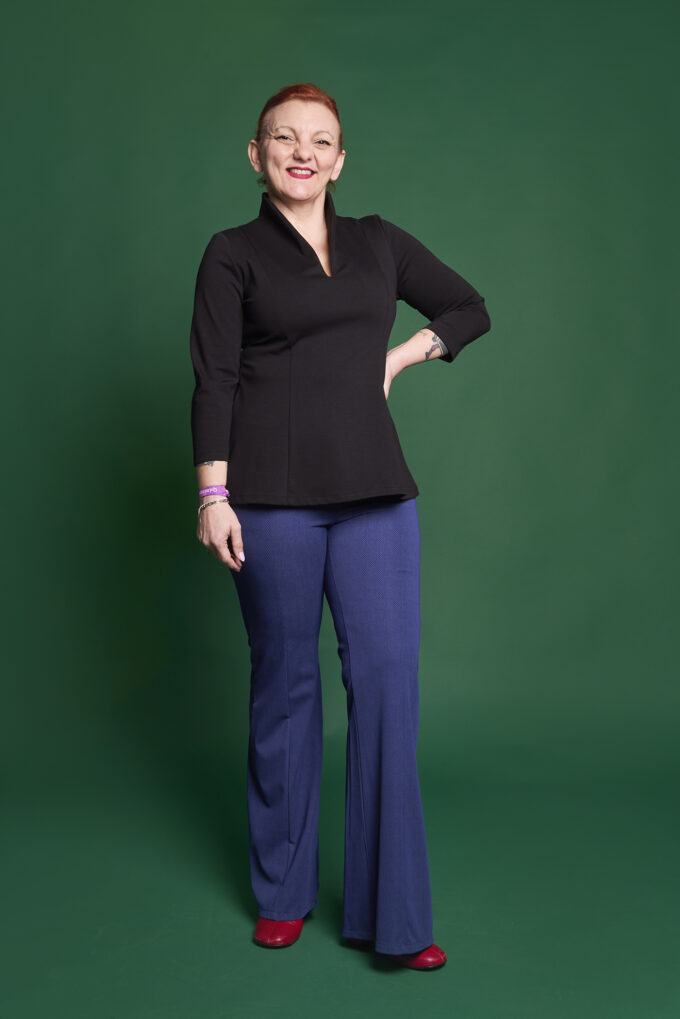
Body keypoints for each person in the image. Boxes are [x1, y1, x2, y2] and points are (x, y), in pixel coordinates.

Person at [189, 82, 491, 970]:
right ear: (257, 155)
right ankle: (282, 892)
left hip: (376, 495)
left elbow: (468, 308)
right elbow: (213, 379)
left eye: (320, 140)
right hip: (269, 501)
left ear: (340, 158)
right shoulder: (231, 254)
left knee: (388, 686)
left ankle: (393, 915)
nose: (302, 152)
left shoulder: (378, 241)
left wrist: (402, 355)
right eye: (284, 138)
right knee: (285, 687)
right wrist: (213, 496)